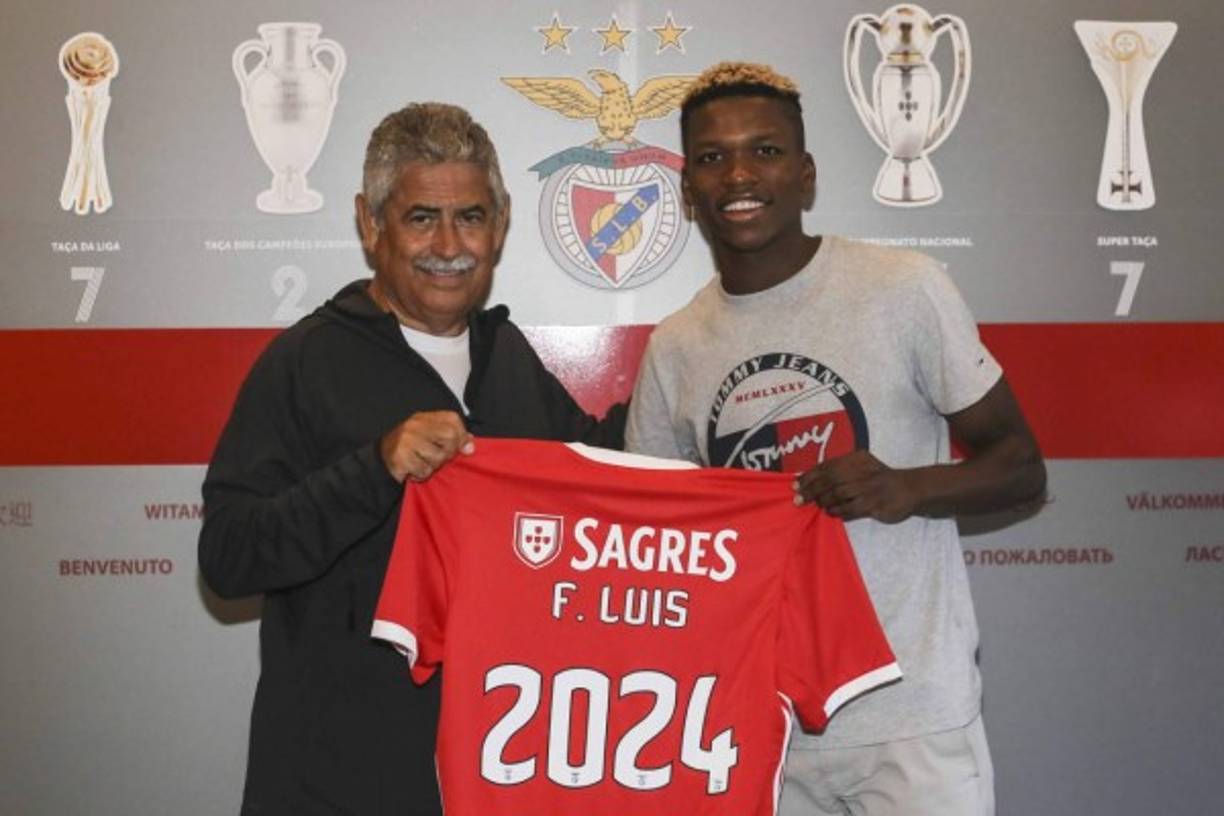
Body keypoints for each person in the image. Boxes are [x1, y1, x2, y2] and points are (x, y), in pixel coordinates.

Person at [625, 62, 1046, 816]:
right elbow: (662, 549)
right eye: (713, 158)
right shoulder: (676, 345)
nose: (740, 174)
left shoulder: (903, 288)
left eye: (766, 150)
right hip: (761, 724)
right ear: (688, 189)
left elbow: (1021, 467)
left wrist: (908, 488)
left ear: (807, 173)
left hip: (913, 720)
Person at [199, 102, 624, 816]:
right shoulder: (305, 361)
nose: (449, 244)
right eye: (422, 217)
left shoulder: (506, 357)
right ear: (371, 223)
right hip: (337, 782)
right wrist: (374, 468)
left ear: (503, 221)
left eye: (472, 217)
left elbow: (594, 474)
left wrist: (695, 386)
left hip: (495, 772)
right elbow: (230, 556)